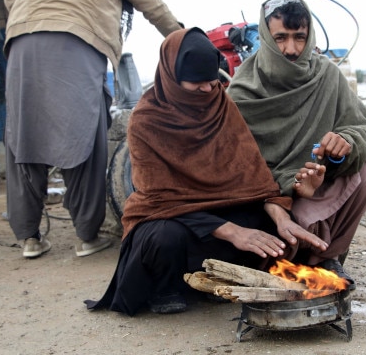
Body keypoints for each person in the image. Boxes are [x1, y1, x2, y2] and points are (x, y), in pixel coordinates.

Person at [85, 27, 324, 315]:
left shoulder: (221, 104)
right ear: (172, 78)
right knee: (162, 237)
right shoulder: (146, 120)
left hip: (224, 209)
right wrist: (232, 232)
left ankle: (221, 278)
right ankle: (167, 287)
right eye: (197, 85)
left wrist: (279, 213)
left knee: (265, 226)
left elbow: (254, 176)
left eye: (213, 83)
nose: (208, 92)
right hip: (170, 214)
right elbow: (159, 198)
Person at [3, 0, 183, 258]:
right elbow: (151, 4)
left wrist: (39, 15)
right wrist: (182, 37)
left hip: (23, 39)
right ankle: (86, 236)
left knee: (24, 136)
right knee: (82, 136)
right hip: (78, 38)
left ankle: (29, 238)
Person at [227, 0, 366, 290]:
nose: (291, 49)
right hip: (267, 198)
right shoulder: (243, 89)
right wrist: (288, 188)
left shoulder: (328, 76)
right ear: (265, 36)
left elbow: (365, 133)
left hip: (317, 185)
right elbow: (235, 165)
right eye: (281, 38)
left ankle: (327, 258)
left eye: (299, 37)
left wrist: (343, 145)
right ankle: (289, 265)